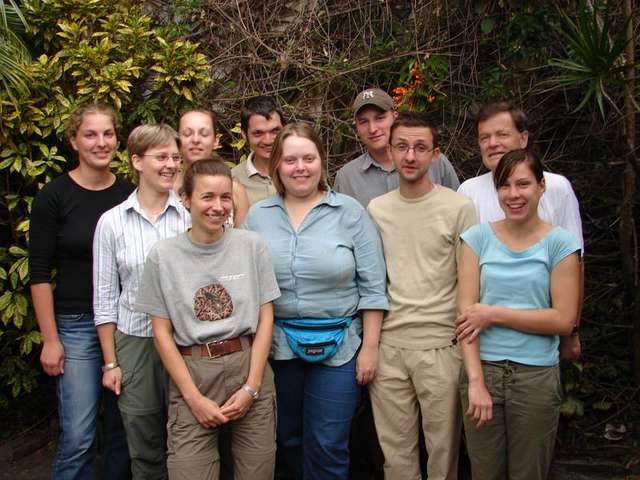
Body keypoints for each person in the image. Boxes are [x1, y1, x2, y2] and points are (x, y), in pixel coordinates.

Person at [243, 122, 388, 480]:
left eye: (308, 158)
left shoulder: (350, 212)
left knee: (328, 444)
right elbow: (245, 283)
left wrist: (370, 348)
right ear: (277, 165)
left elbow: (373, 286)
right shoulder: (258, 216)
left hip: (340, 348)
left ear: (322, 161)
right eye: (290, 160)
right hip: (277, 348)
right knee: (287, 440)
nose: (300, 167)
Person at [135, 158, 279, 479]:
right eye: (207, 197)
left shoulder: (251, 245)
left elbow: (265, 318)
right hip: (193, 372)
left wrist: (252, 387)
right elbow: (161, 333)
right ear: (186, 199)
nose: (218, 206)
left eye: (225, 197)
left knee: (257, 470)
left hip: (249, 364)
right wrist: (193, 399)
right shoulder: (164, 256)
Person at [456, 148, 581, 480]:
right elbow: (466, 319)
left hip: (535, 377)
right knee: (485, 473)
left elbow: (563, 319)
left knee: (530, 473)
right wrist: (475, 382)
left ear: (541, 186)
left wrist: (494, 314)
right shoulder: (476, 239)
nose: (513, 194)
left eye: (523, 184)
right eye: (504, 185)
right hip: (482, 372)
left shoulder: (560, 244)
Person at [367, 112, 476, 480]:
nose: (410, 156)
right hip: (390, 348)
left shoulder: (458, 208)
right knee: (396, 456)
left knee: (443, 454)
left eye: (420, 147)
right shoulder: (377, 210)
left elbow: (470, 282)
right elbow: (372, 281)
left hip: (441, 347)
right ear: (390, 151)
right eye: (402, 147)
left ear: (435, 154)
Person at [29, 102, 131, 479]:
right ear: (73, 141)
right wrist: (50, 340)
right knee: (78, 437)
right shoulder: (54, 196)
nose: (101, 142)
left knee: (124, 431)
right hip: (76, 326)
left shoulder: (129, 194)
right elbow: (39, 273)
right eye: (90, 134)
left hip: (124, 324)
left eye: (108, 134)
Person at [93, 124, 191, 478]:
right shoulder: (112, 223)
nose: (171, 165)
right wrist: (110, 363)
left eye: (175, 158)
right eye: (161, 157)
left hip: (186, 341)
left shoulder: (191, 215)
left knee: (190, 438)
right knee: (144, 442)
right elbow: (105, 298)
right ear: (136, 161)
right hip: (135, 342)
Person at [457, 101, 584, 361]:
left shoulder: (556, 187)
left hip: (540, 339)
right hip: (485, 343)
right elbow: (464, 273)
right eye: (484, 137)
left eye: (502, 134)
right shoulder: (468, 191)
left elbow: (576, 264)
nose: (493, 143)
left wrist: (571, 331)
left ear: (523, 138)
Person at [333, 87, 460, 207]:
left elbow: (457, 210)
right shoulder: (347, 177)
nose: (372, 129)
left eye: (380, 118)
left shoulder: (435, 162)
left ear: (395, 116)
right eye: (363, 122)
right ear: (356, 126)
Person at [177, 108, 250, 225]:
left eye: (204, 134)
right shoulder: (165, 188)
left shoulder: (235, 191)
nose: (195, 140)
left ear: (216, 140)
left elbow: (242, 236)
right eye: (187, 134)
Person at [231, 96, 283, 204]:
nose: (268, 140)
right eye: (258, 133)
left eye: (275, 131)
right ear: (244, 135)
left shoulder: (301, 171)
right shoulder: (232, 180)